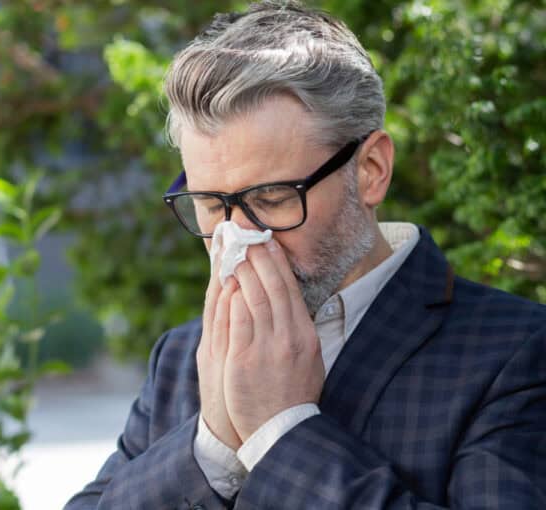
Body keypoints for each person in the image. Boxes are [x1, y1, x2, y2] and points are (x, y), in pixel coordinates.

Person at [65, 1, 546, 508]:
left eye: (271, 199)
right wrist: (212, 451)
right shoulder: (185, 356)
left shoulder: (517, 354)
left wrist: (281, 433)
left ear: (371, 170)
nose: (236, 237)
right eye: (210, 204)